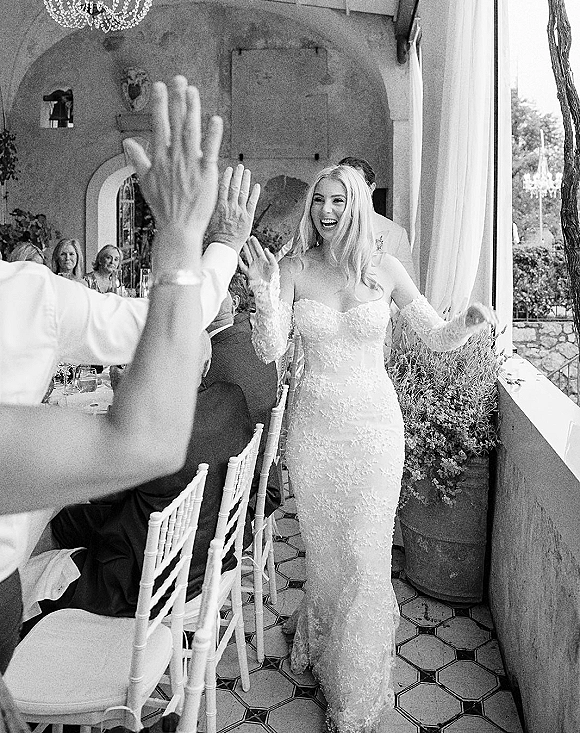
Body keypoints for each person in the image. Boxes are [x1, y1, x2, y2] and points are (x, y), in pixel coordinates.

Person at [0, 76, 259, 680]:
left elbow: (162, 324)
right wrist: (196, 237)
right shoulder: (23, 292)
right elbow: (146, 433)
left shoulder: (27, 291)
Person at [242, 164, 496, 733]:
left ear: (357, 205)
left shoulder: (385, 271)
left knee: (365, 556)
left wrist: (468, 325)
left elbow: (434, 337)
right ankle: (325, 640)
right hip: (313, 434)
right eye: (318, 203)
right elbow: (270, 350)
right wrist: (264, 293)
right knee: (328, 557)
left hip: (376, 433)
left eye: (336, 201)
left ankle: (355, 694)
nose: (325, 212)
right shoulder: (292, 269)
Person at [36, 334, 255, 619]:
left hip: (145, 582)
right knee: (66, 519)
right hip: (209, 554)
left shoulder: (152, 429)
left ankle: (52, 629)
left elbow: (99, 490)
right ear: (206, 365)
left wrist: (124, 400)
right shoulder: (232, 398)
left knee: (45, 531)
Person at [202, 279, 280, 515]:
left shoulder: (213, 357)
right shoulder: (254, 340)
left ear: (234, 303)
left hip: (229, 488)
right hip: (260, 470)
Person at [338, 155, 417, 283]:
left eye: (357, 184)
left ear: (371, 188)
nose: (351, 191)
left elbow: (409, 284)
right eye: (344, 185)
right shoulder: (325, 226)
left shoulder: (395, 234)